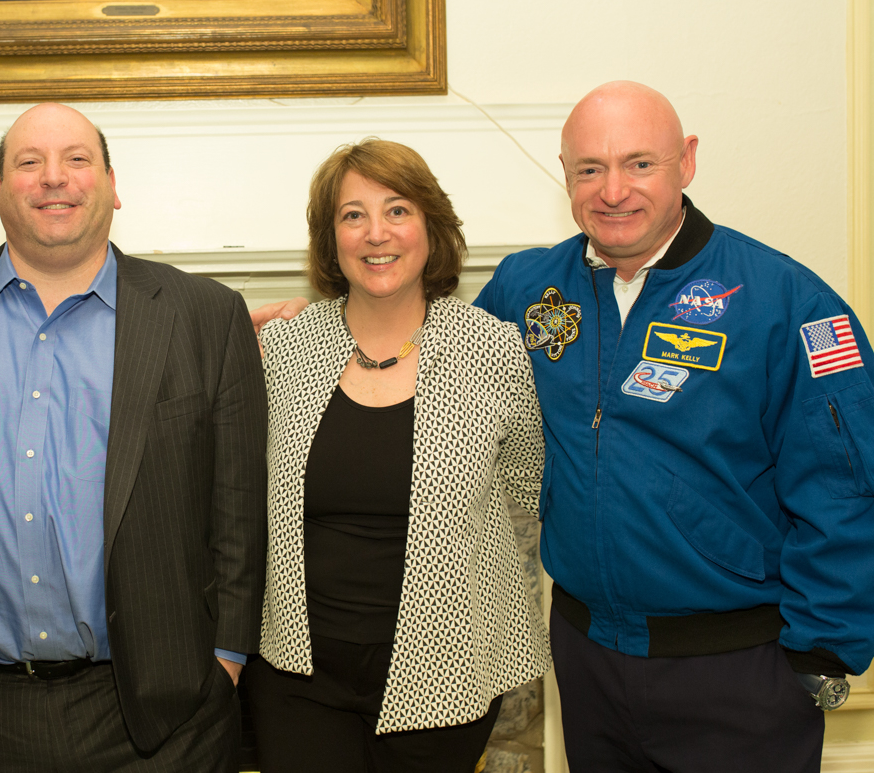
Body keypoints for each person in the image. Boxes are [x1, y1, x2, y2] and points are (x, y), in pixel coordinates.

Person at [255, 82, 874, 772]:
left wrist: (824, 651)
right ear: (566, 172)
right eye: (589, 169)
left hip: (736, 665)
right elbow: (436, 351)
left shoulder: (785, 301)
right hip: (590, 660)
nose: (613, 191)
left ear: (686, 162)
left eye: (640, 163)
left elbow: (844, 483)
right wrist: (284, 338)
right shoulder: (529, 289)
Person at [0, 102, 267, 772]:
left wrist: (224, 658)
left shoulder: (205, 315)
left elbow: (238, 508)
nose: (54, 178)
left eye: (76, 159)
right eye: (29, 162)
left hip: (160, 714)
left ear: (113, 185)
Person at [249, 138, 548, 773]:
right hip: (298, 679)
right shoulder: (284, 349)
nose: (375, 233)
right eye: (352, 214)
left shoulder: (493, 350)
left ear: (432, 229)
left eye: (398, 210)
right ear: (330, 240)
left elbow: (527, 497)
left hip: (448, 679)